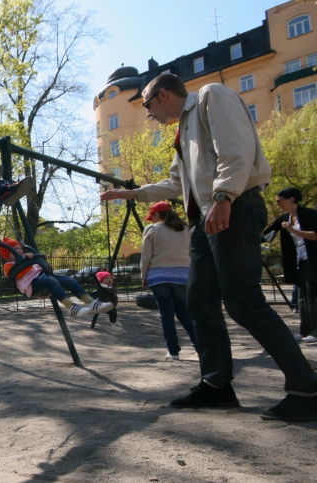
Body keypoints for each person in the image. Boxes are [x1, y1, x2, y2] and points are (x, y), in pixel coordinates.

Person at [101, 73, 317, 422]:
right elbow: (175, 183)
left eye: (147, 105)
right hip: (206, 216)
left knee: (242, 300)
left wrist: (223, 196)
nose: (148, 115)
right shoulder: (183, 133)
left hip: (234, 205)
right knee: (198, 299)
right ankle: (217, 386)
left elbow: (237, 148)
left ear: (164, 94)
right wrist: (133, 193)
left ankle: (307, 387)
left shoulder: (210, 97)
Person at [0, 238, 113, 317]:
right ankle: (71, 307)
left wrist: (38, 259)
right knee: (50, 280)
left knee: (70, 280)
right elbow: (18, 274)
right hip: (32, 286)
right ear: (7, 255)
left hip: (44, 279)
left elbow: (40, 268)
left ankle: (91, 302)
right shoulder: (8, 266)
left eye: (20, 248)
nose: (19, 251)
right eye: (15, 249)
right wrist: (27, 259)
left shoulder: (27, 261)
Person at [140, 201, 197, 360]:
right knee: (185, 313)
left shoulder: (152, 230)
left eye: (152, 216)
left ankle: (173, 351)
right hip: (181, 275)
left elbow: (146, 257)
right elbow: (191, 254)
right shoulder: (186, 230)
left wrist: (144, 276)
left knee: (166, 314)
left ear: (158, 214)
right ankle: (199, 347)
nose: (151, 220)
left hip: (158, 275)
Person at [262, 187, 317, 342]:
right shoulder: (284, 218)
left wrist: (293, 230)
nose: (277, 203)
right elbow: (267, 234)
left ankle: (315, 331)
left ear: (292, 199)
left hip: (313, 259)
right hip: (299, 261)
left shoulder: (310, 215)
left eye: (280, 200)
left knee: (312, 295)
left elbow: (315, 235)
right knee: (302, 296)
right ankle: (305, 331)